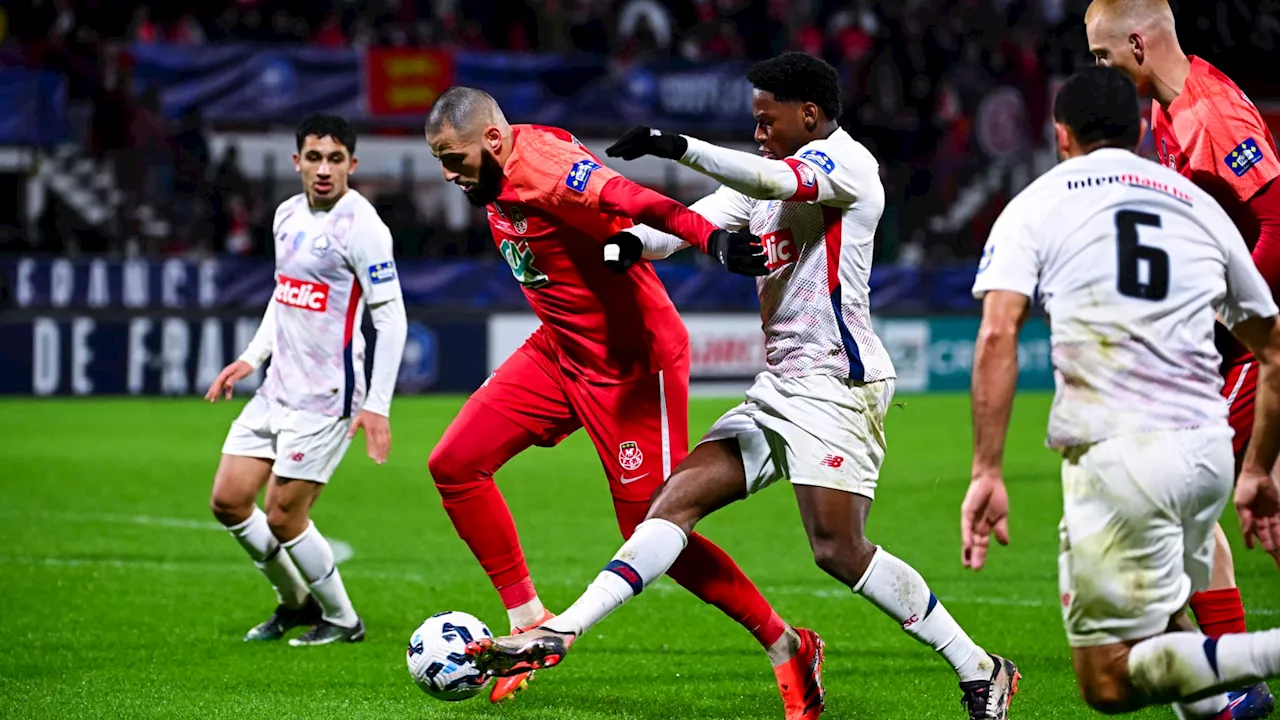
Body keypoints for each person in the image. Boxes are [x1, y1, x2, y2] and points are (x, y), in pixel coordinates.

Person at [467, 52, 1019, 720]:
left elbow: (763, 175)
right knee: (670, 506)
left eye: (767, 120)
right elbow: (706, 217)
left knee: (838, 551)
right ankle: (561, 630)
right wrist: (629, 246)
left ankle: (981, 667)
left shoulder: (847, 166)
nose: (758, 132)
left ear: (808, 115)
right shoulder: (771, 180)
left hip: (836, 387)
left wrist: (676, 146)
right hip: (781, 386)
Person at [420, 86, 824, 716]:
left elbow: (631, 198)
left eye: (453, 158)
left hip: (634, 364)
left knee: (654, 529)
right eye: (440, 160)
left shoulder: (543, 170)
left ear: (492, 140)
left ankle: (787, 644)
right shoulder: (498, 167)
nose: (447, 174)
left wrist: (709, 240)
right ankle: (528, 622)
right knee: (454, 464)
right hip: (559, 352)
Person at [963, 65, 1280, 720]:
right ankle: (1225, 707)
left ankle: (1263, 658)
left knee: (1106, 682)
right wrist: (1257, 469)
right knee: (1168, 607)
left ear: (1061, 136)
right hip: (1206, 453)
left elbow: (998, 334)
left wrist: (987, 469)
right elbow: (1274, 347)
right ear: (1140, 131)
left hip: (1119, 452)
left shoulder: (1037, 203)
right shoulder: (1192, 201)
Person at [1085, 3, 1280, 714]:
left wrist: (1229, 331)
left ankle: (1231, 691)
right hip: (1246, 341)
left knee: (1165, 496)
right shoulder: (1169, 114)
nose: (1101, 74)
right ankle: (1234, 689)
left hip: (1259, 344)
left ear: (1137, 43)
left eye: (1105, 58)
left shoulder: (1210, 113)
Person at [204, 114, 407, 646]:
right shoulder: (287, 215)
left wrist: (378, 405)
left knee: (283, 516)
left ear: (352, 165)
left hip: (326, 396)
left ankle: (342, 619)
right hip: (277, 389)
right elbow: (284, 293)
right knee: (228, 500)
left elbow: (392, 318)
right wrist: (251, 357)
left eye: (335, 159)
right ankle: (294, 603)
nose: (323, 169)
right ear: (296, 161)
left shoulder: (361, 226)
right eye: (314, 158)